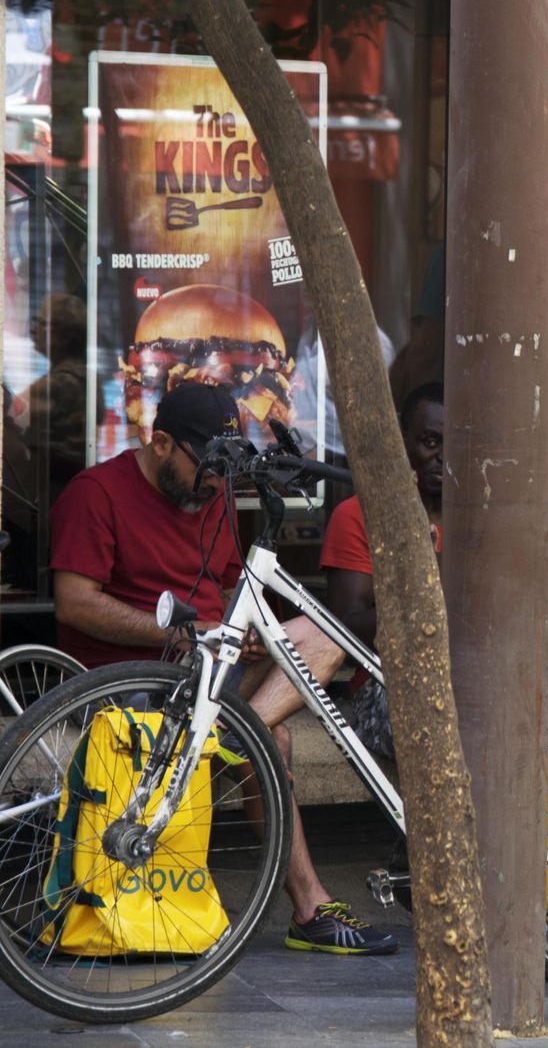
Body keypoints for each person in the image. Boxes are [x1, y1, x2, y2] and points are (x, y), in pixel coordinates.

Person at [50, 381, 397, 956]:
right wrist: (180, 633)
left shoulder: (210, 497)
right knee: (276, 739)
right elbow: (74, 602)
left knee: (325, 636)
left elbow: (231, 584)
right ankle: (310, 908)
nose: (216, 483)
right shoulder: (97, 493)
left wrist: (254, 636)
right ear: (159, 442)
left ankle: (232, 733)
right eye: (206, 466)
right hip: (138, 680)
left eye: (226, 469)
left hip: (217, 670)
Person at [319, 382, 445, 761]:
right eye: (429, 442)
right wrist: (432, 598)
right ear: (401, 443)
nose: (444, 457)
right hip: (386, 685)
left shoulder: (480, 523)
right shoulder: (357, 516)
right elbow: (343, 628)